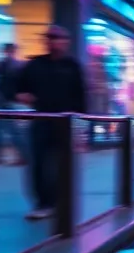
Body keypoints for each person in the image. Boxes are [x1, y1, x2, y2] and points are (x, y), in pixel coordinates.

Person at [16, 25, 87, 220]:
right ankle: (44, 202)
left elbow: (81, 97)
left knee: (63, 164)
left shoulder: (73, 66)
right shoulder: (35, 65)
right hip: (42, 120)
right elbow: (16, 86)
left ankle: (58, 201)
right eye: (51, 38)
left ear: (66, 42)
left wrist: (81, 127)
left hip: (66, 122)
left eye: (58, 38)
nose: (54, 42)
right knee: (39, 163)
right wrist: (22, 95)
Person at [0, 42, 25, 165]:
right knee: (11, 129)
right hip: (7, 100)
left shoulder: (4, 64)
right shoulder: (16, 65)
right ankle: (22, 156)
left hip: (1, 100)